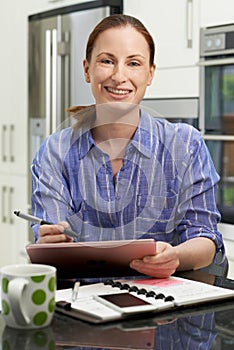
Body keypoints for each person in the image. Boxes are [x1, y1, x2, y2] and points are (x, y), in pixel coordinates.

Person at [31, 14, 227, 278]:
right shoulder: (55, 152)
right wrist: (50, 245)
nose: (118, 75)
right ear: (87, 69)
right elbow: (53, 243)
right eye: (107, 61)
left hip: (165, 304)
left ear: (150, 74)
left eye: (133, 63)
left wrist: (175, 257)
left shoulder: (185, 145)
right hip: (86, 304)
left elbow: (205, 240)